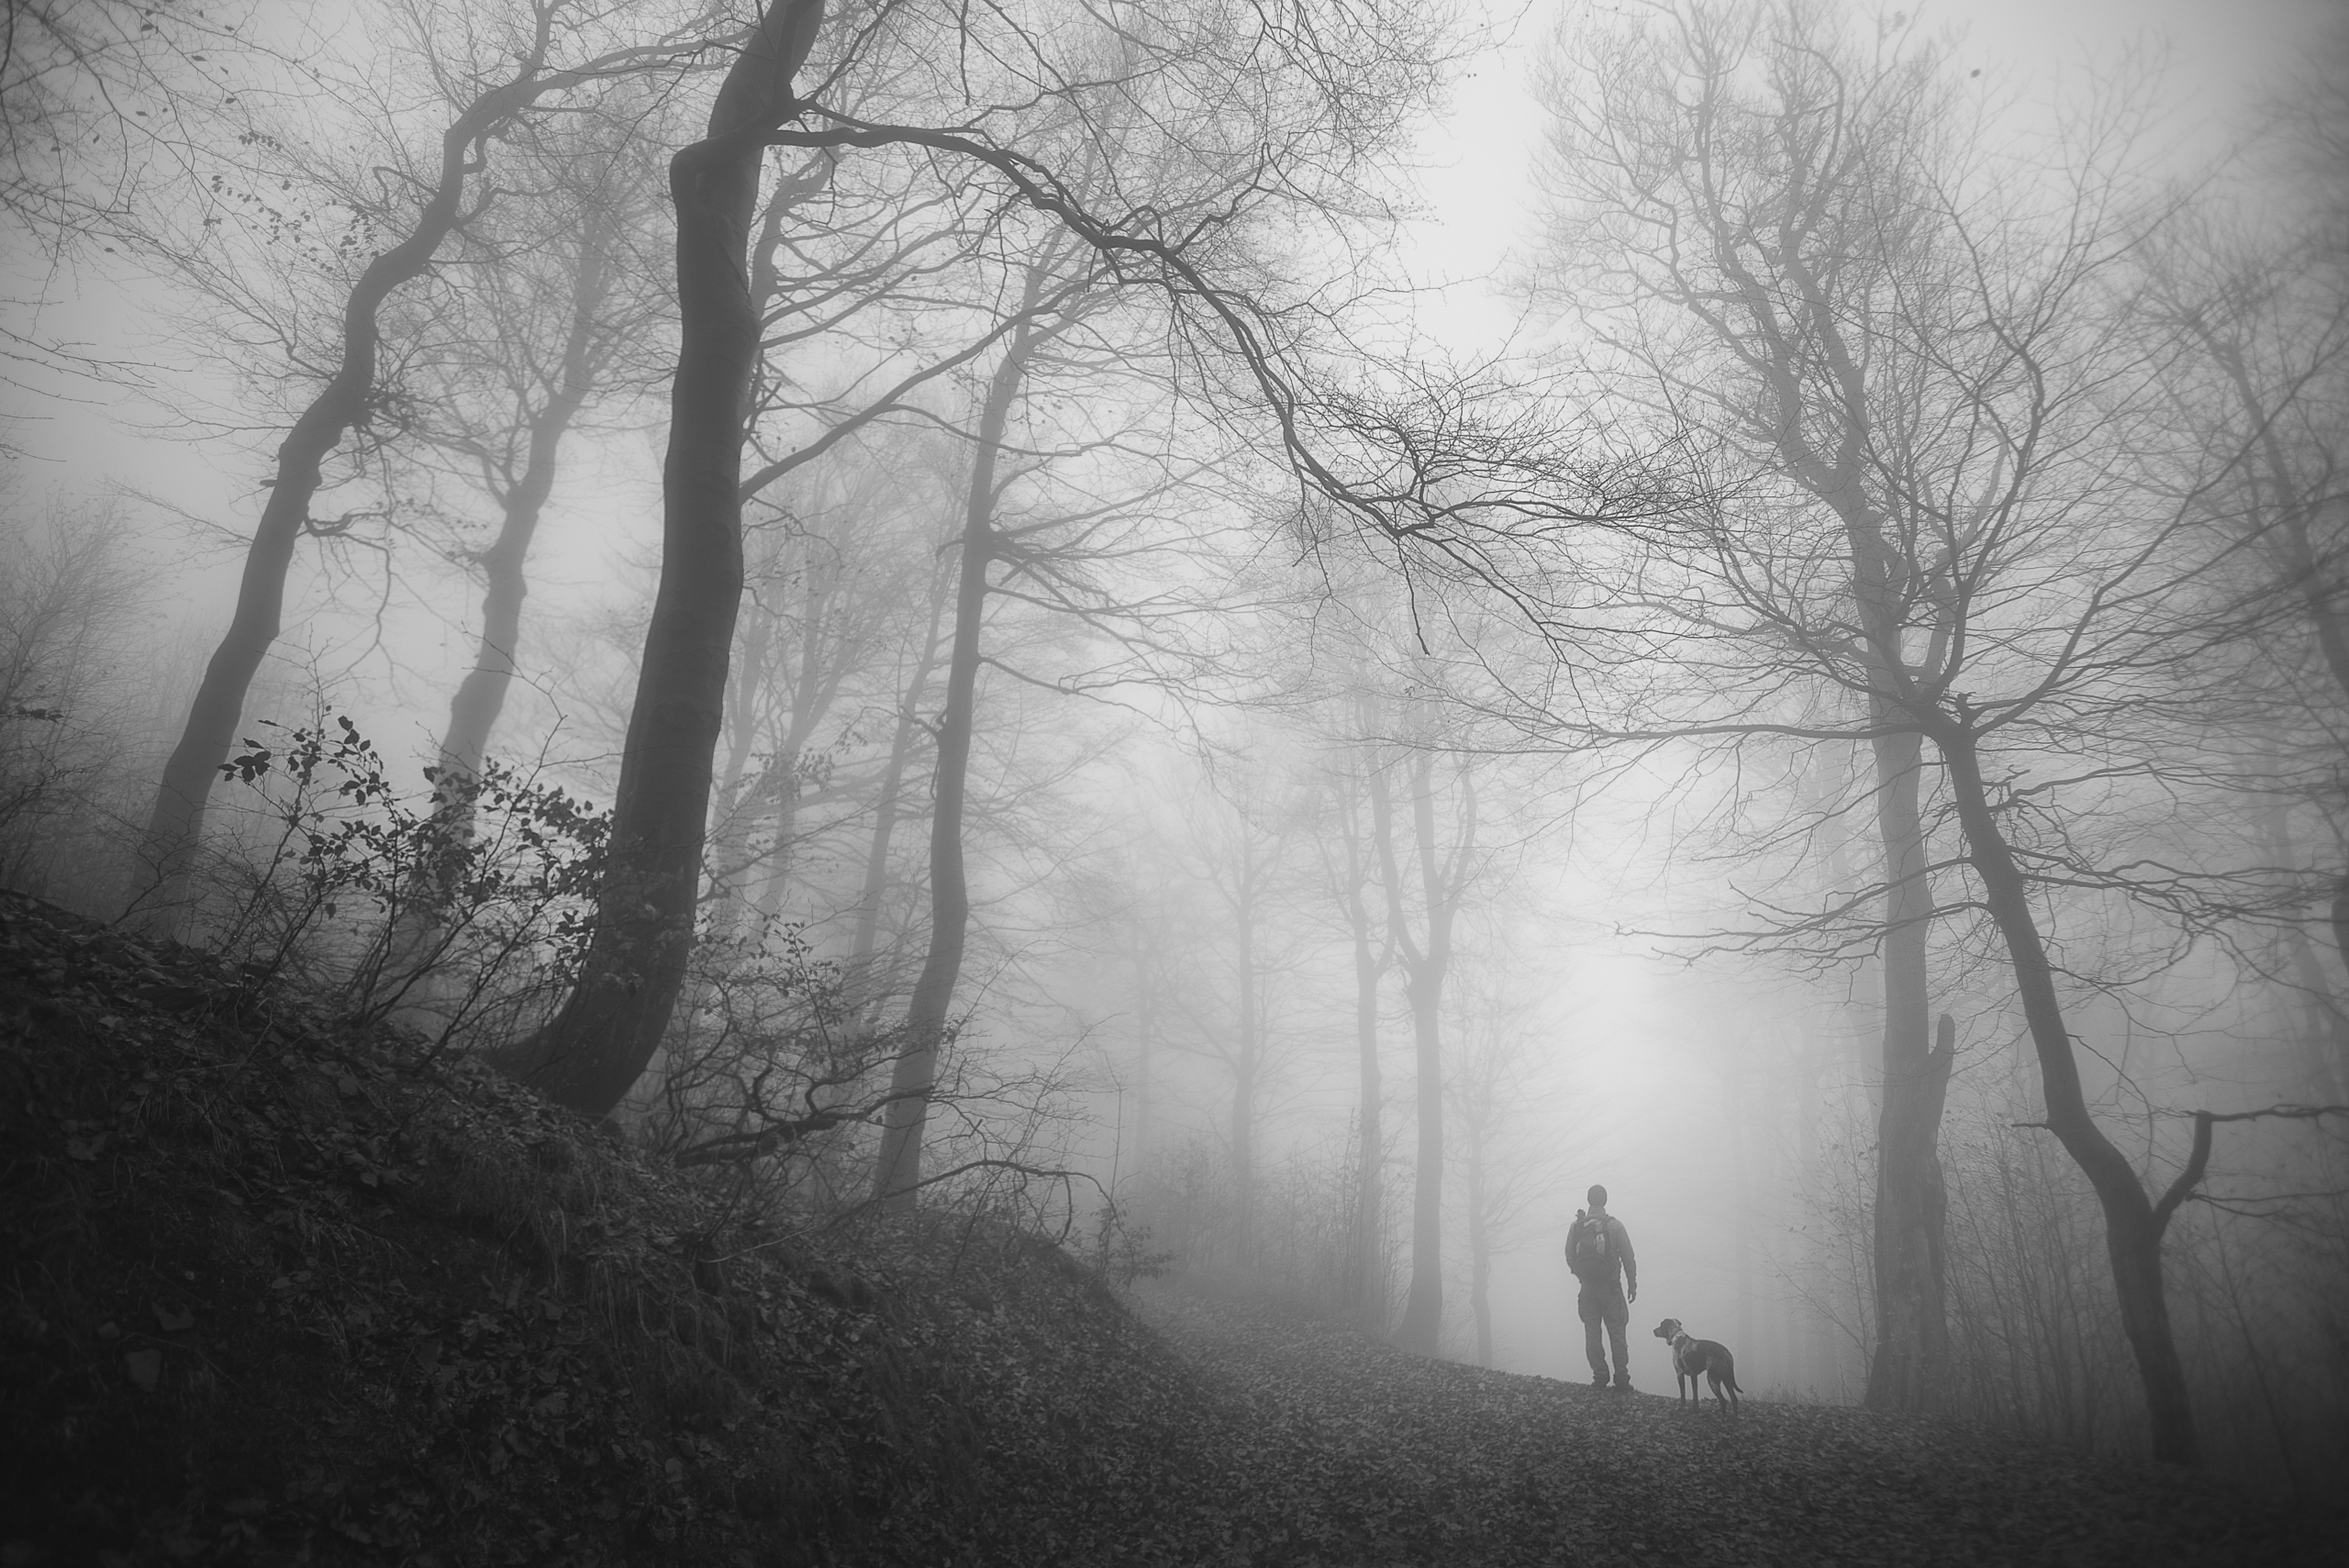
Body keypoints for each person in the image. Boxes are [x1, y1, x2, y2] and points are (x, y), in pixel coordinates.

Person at [1564, 1184, 1638, 1389]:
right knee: (1616, 1331)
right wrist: (1632, 1284)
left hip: (1587, 1288)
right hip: (1611, 1288)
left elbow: (1569, 1255)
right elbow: (1628, 1257)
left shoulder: (1577, 1226)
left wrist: (1581, 1276)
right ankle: (1622, 1378)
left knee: (1592, 1331)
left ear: (1589, 1201)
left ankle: (1599, 1376)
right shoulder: (1615, 1226)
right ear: (1605, 1201)